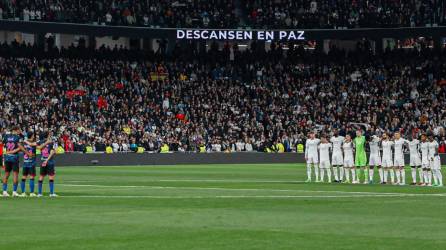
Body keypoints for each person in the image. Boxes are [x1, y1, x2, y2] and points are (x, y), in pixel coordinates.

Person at [20, 131, 51, 197]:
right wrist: (46, 143)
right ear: (32, 136)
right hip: (31, 162)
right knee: (32, 177)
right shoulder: (33, 142)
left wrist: (25, 141)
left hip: (25, 161)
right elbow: (39, 147)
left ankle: (23, 193)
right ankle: (31, 193)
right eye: (33, 135)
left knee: (24, 177)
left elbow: (22, 147)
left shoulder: (24, 142)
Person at [2, 126, 28, 197]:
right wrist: (27, 152)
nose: (20, 131)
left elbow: (3, 144)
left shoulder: (6, 136)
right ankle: (14, 191)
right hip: (14, 157)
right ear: (15, 130)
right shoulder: (17, 137)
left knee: (6, 174)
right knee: (15, 174)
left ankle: (4, 191)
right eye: (19, 130)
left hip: (7, 157)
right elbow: (20, 147)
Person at [37, 132, 57, 197]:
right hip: (49, 161)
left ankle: (39, 193)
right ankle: (51, 193)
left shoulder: (40, 142)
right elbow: (52, 152)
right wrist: (47, 160)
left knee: (41, 176)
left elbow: (38, 147)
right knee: (51, 176)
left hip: (42, 160)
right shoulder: (51, 142)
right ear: (48, 135)